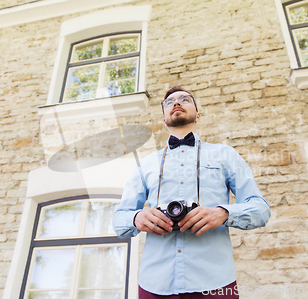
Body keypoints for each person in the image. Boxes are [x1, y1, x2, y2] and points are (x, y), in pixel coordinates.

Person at [113, 86, 270, 298]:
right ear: (164, 119)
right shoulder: (146, 164)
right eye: (169, 102)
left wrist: (224, 213)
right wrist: (137, 218)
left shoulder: (226, 154)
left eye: (184, 99)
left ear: (198, 115)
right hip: (154, 283)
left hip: (215, 282)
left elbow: (261, 210)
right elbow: (119, 219)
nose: (176, 103)